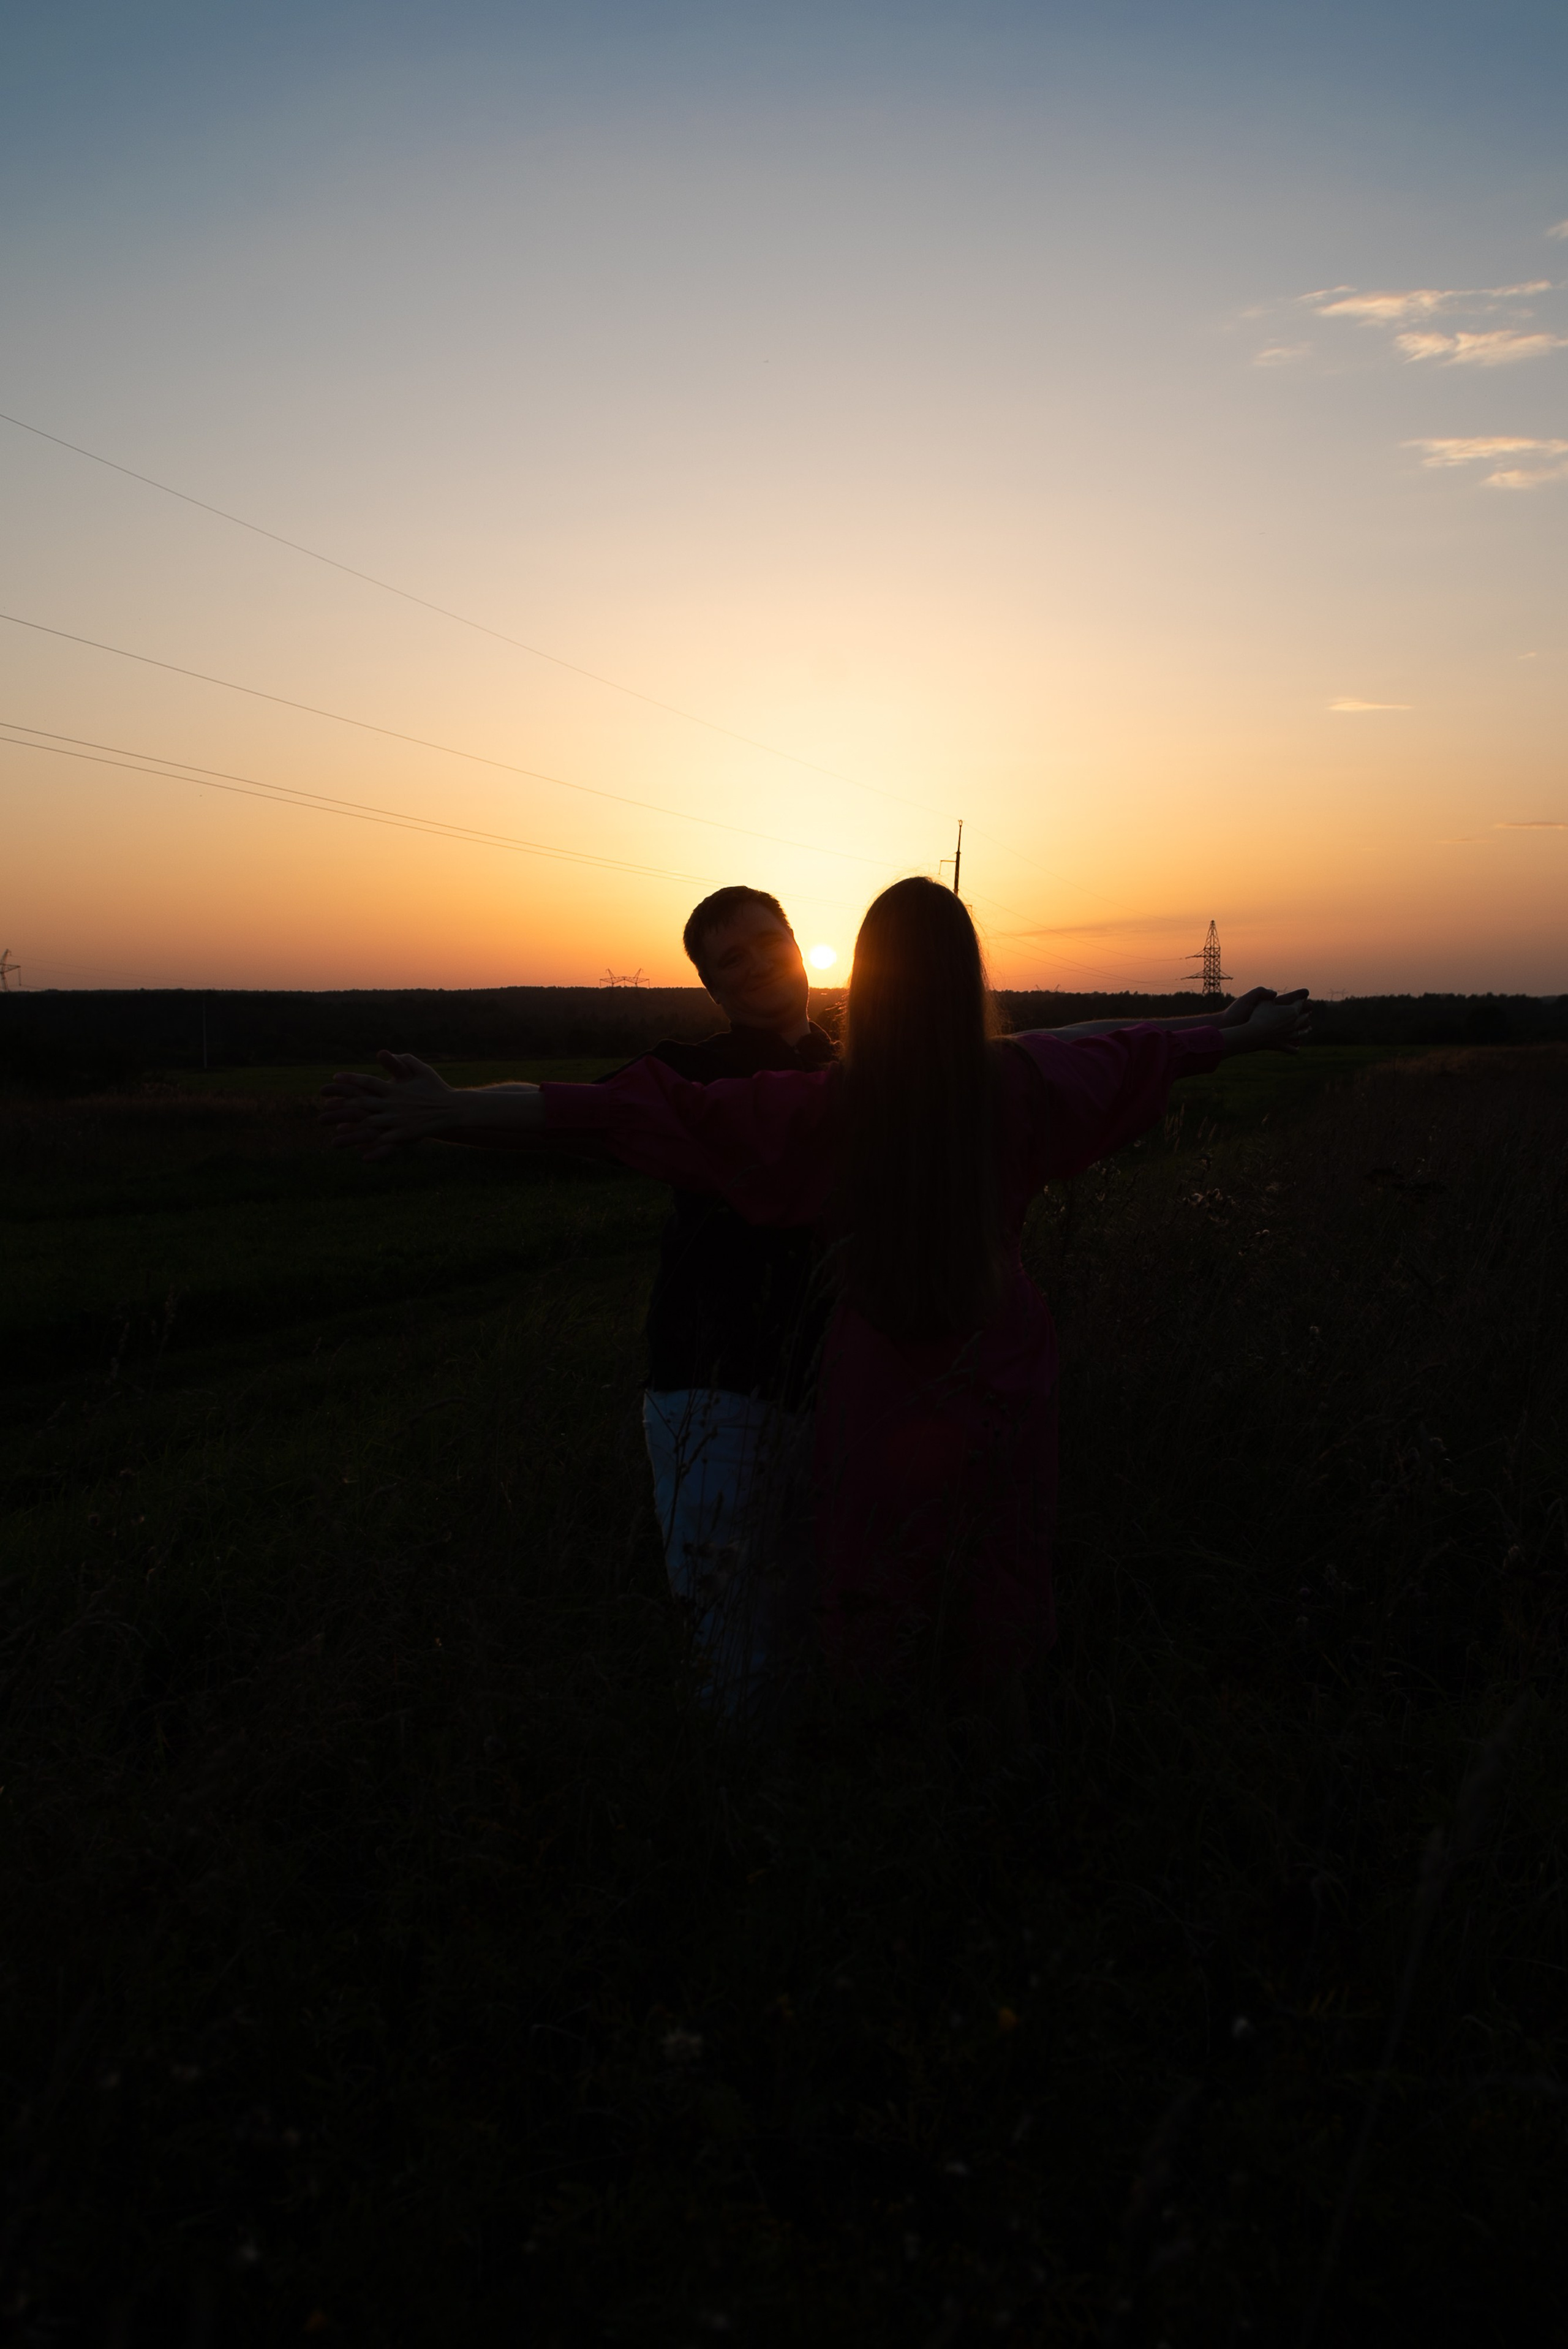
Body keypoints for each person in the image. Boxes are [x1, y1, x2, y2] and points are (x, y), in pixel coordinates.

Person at [323, 880, 1308, 1724]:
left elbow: (608, 1111)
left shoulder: (830, 1103)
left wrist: (1214, 1033)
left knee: (861, 1604)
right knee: (975, 1593)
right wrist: (1226, 1037)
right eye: (726, 962)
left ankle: (840, 1804)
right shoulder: (1010, 1085)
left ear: (835, 964)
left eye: (764, 947)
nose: (750, 970)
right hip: (953, 1375)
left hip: (857, 1390)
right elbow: (1106, 1049)